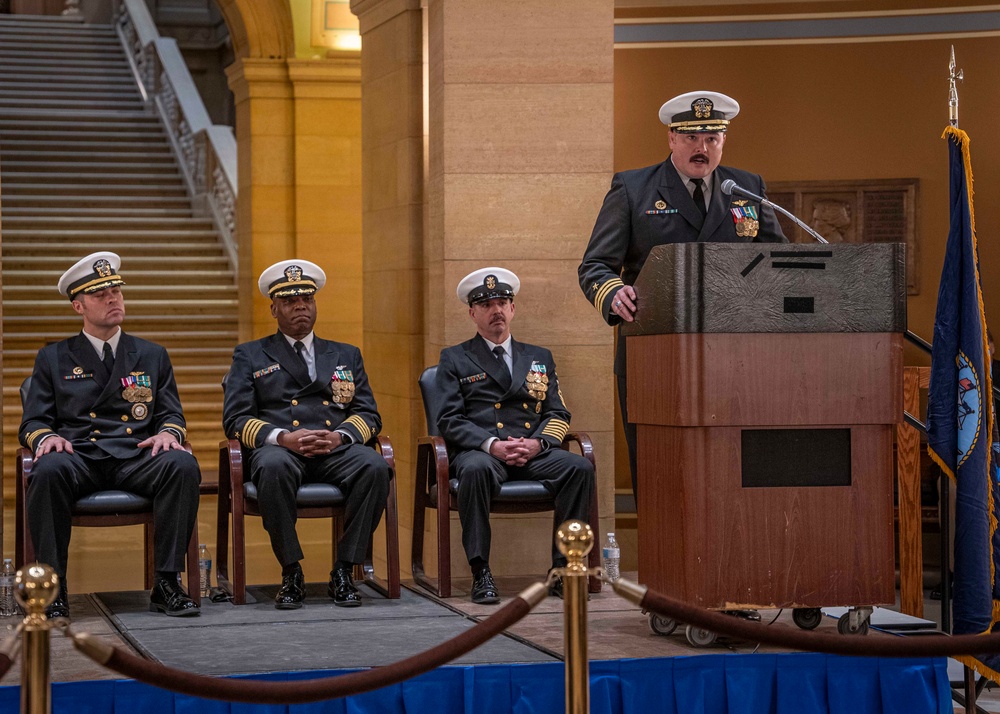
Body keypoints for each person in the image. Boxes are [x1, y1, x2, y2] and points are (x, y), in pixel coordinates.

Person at [578, 90, 787, 499]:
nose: (701, 148)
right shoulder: (634, 187)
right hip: (655, 351)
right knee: (660, 469)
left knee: (732, 469)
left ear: (723, 141)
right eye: (691, 138)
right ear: (672, 139)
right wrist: (614, 293)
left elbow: (778, 260)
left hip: (736, 352)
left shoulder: (747, 188)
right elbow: (595, 266)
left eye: (711, 138)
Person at [19, 252, 201, 618]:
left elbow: (171, 412)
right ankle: (53, 586)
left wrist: (168, 432)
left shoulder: (151, 354)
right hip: (80, 457)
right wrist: (45, 438)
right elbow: (33, 421)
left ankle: (166, 581)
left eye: (116, 290)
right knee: (46, 470)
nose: (113, 298)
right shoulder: (53, 357)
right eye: (101, 294)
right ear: (78, 306)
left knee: (182, 464)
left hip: (134, 456)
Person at [222, 260, 390, 609]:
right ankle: (291, 570)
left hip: (335, 449)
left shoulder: (346, 354)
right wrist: (283, 437)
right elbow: (236, 419)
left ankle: (344, 568)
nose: (301, 306)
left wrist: (341, 436)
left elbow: (369, 414)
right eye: (290, 301)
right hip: (282, 450)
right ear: (274, 308)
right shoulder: (251, 355)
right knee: (271, 467)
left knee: (375, 466)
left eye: (307, 299)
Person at [435, 267, 596, 604]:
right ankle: (481, 571)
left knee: (579, 468)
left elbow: (558, 413)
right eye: (487, 304)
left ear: (513, 309)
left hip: (531, 451)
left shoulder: (539, 357)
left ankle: (563, 570)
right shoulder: (455, 358)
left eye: (503, 302)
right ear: (472, 313)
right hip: (483, 452)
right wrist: (492, 445)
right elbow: (448, 419)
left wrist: (538, 443)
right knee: (475, 470)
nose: (496, 310)